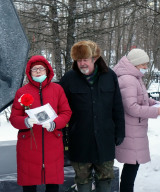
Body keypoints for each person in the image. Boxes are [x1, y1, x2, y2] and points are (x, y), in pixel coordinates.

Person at [59, 40, 125, 192]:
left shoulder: (110, 76)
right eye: (78, 60)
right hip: (80, 140)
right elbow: (60, 108)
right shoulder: (69, 79)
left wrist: (120, 131)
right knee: (82, 180)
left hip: (105, 139)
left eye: (85, 60)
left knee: (106, 179)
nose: (82, 63)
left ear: (94, 59)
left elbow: (117, 106)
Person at [10, 55, 72, 192]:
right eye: (34, 69)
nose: (38, 71)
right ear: (29, 72)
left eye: (41, 69)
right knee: (29, 185)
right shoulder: (22, 92)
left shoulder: (57, 90)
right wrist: (25, 121)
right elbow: (14, 118)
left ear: (47, 70)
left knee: (52, 185)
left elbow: (66, 112)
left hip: (52, 144)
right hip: (29, 146)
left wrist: (55, 124)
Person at [113, 48, 160, 192]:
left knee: (132, 167)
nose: (146, 67)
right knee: (131, 168)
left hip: (135, 130)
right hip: (130, 131)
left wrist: (152, 102)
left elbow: (139, 98)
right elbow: (131, 107)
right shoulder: (128, 79)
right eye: (143, 64)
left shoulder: (134, 77)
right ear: (135, 64)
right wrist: (156, 111)